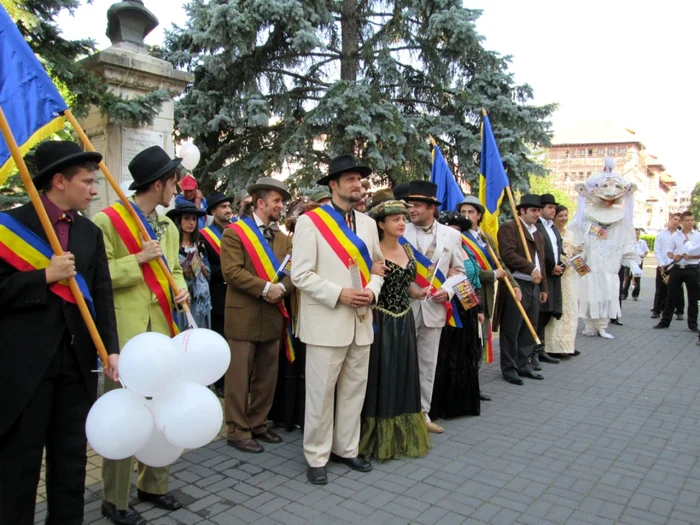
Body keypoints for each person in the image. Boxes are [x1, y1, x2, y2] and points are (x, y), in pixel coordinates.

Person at [0, 141, 119, 525]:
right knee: (19, 467)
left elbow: (101, 292)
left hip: (77, 364)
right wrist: (43, 277)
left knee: (70, 464)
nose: (94, 189)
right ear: (58, 181)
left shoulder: (88, 231)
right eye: (87, 181)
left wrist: (111, 350)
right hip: (25, 367)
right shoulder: (10, 227)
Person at [94, 145, 190, 525]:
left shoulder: (166, 225)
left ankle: (154, 484)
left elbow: (173, 270)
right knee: (124, 417)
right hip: (127, 336)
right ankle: (114, 499)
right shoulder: (107, 221)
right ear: (157, 184)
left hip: (162, 330)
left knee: (161, 409)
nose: (177, 186)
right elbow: (98, 278)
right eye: (172, 180)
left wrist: (179, 288)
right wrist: (139, 260)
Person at [291, 154, 384, 485]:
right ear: (333, 185)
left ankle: (347, 448)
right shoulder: (310, 222)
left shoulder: (370, 225)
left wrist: (373, 290)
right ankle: (316, 456)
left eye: (359, 179)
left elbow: (378, 268)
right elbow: (300, 274)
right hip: (327, 322)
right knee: (320, 394)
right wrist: (339, 294)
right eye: (350, 180)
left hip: (361, 321)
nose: (357, 184)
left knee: (353, 392)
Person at [220, 177, 293, 454]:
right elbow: (232, 272)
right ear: (260, 203)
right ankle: (237, 429)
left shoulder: (284, 239)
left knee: (266, 375)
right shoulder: (234, 233)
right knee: (239, 377)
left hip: (273, 314)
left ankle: (258, 423)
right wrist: (267, 289)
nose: (280, 206)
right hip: (244, 315)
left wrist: (281, 290)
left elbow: (293, 272)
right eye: (276, 201)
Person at [358, 189, 429, 460]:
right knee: (382, 376)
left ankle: (401, 435)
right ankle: (375, 438)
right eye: (395, 219)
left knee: (403, 374)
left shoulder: (407, 247)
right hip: (382, 321)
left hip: (405, 320)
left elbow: (406, 283)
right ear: (381, 224)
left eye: (403, 218)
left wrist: (418, 292)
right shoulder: (372, 252)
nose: (402, 223)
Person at [403, 180, 465, 433]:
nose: (411, 211)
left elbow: (460, 272)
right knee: (402, 362)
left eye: (416, 206)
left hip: (435, 309)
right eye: (409, 206)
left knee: (427, 363)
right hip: (404, 307)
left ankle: (423, 414)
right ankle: (400, 412)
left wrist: (448, 290)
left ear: (431, 207)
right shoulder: (399, 231)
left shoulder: (452, 235)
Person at [457, 196, 521, 401]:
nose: (466, 216)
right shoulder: (458, 237)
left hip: (486, 297)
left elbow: (499, 263)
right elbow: (463, 271)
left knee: (481, 341)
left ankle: (473, 385)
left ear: (479, 216)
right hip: (466, 296)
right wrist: (491, 275)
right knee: (467, 342)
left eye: (470, 212)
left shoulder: (486, 238)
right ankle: (462, 387)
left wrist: (514, 284)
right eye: (463, 212)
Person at [569, 161, 641, 339]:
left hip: (610, 267)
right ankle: (589, 324)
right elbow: (571, 237)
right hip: (590, 265)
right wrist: (576, 261)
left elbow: (627, 240)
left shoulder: (622, 217)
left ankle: (602, 325)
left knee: (608, 293)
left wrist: (632, 261)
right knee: (590, 293)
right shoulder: (584, 215)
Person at [268, 197, 321, 431]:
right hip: (293, 310)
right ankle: (287, 414)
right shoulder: (285, 244)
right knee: (292, 359)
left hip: (318, 312)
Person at [429, 211, 483, 419]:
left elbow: (474, 280)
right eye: (450, 227)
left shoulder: (466, 249)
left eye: (458, 229)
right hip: (447, 307)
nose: (455, 232)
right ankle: (442, 403)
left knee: (466, 352)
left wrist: (479, 309)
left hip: (466, 305)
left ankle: (464, 400)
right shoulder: (437, 250)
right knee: (446, 355)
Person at [493, 194, 548, 385]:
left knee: (529, 326)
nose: (537, 214)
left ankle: (523, 363)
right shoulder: (510, 228)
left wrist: (543, 287)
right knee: (511, 327)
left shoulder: (537, 233)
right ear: (522, 211)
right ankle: (509, 368)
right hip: (516, 283)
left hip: (533, 285)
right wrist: (530, 268)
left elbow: (540, 262)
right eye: (533, 210)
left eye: (539, 211)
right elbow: (507, 255)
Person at [200, 192, 234, 397]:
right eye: (223, 207)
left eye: (229, 206)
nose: (228, 210)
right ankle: (220, 382)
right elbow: (206, 267)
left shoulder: (237, 231)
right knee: (219, 340)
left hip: (237, 293)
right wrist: (231, 271)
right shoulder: (205, 236)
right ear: (213, 211)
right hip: (219, 295)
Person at [166, 202, 211, 329]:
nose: (191, 222)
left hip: (200, 300)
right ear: (179, 220)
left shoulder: (200, 245)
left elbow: (208, 275)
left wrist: (201, 267)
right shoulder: (173, 245)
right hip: (182, 296)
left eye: (194, 219)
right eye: (186, 218)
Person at [654, 210, 699, 333]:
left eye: (692, 220)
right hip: (677, 268)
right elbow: (668, 251)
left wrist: (693, 257)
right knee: (671, 296)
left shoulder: (698, 236)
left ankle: (693, 325)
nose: (690, 222)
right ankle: (665, 322)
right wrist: (674, 256)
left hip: (692, 269)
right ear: (682, 222)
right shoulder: (675, 236)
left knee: (693, 298)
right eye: (687, 220)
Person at [544, 205, 580, 357]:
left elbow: (571, 251)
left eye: (566, 215)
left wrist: (577, 252)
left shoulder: (570, 233)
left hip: (569, 277)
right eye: (560, 216)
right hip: (557, 276)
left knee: (571, 310)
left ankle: (567, 345)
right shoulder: (551, 232)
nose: (564, 219)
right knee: (557, 311)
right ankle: (553, 346)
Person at [533, 194, 564, 367]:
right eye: (550, 208)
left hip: (554, 275)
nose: (553, 210)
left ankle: (541, 348)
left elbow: (556, 249)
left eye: (554, 207)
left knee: (548, 311)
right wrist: (551, 266)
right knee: (539, 312)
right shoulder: (537, 227)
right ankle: (534, 350)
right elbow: (541, 252)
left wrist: (560, 264)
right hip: (543, 273)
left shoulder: (552, 228)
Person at [651, 213, 684, 320]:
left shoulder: (681, 236)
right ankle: (657, 310)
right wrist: (661, 264)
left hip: (676, 265)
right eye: (675, 219)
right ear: (670, 220)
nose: (676, 222)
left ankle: (679, 311)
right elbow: (657, 250)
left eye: (679, 220)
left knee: (678, 289)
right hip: (663, 266)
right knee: (661, 289)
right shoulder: (661, 235)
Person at [622, 229, 649, 301]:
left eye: (638, 233)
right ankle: (624, 294)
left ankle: (635, 294)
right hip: (630, 261)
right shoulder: (629, 242)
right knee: (628, 278)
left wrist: (643, 255)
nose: (637, 235)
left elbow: (646, 251)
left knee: (637, 278)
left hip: (639, 261)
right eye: (635, 233)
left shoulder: (642, 242)